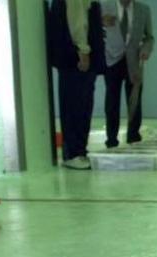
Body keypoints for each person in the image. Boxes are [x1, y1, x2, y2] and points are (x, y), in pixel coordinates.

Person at [48, 0, 105, 170]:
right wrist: (83, 52)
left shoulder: (90, 3)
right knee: (73, 106)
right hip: (75, 59)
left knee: (84, 107)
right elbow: (77, 26)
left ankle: (80, 150)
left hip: (86, 61)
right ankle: (72, 153)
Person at [102, 0, 153, 148]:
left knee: (134, 98)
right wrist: (101, 21)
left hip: (134, 60)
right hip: (112, 59)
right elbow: (93, 29)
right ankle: (111, 139)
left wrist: (146, 50)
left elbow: (149, 37)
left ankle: (133, 135)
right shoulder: (104, 7)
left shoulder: (144, 9)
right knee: (112, 100)